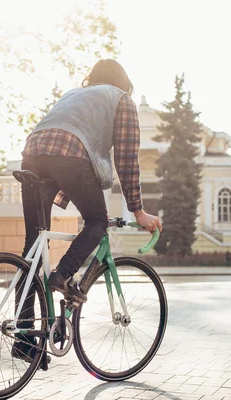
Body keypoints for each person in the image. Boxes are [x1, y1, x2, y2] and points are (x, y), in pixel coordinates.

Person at [11, 59, 162, 362]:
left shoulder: (72, 96)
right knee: (96, 221)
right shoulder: (121, 100)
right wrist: (139, 211)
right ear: (123, 80)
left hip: (32, 152)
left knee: (31, 248)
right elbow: (128, 160)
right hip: (69, 154)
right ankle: (63, 275)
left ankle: (24, 339)